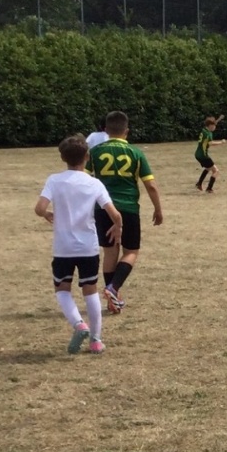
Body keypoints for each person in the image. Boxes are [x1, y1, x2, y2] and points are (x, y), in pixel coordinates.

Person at [35, 134, 122, 355]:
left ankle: (79, 324)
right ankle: (96, 340)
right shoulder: (94, 183)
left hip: (63, 248)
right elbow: (115, 214)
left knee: (62, 289)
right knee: (90, 291)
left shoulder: (54, 180)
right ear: (87, 157)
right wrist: (117, 227)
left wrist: (47, 214)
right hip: (88, 247)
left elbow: (39, 208)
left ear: (62, 157)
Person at [87, 111, 163, 313]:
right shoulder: (135, 153)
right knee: (131, 252)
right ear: (126, 131)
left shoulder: (95, 152)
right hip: (128, 208)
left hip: (104, 208)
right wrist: (158, 209)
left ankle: (112, 300)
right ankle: (113, 288)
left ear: (106, 130)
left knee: (110, 252)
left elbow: (83, 179)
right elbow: (151, 185)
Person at [194, 114, 225, 192]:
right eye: (214, 126)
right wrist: (221, 142)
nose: (215, 127)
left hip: (197, 154)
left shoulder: (204, 130)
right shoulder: (208, 134)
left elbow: (212, 124)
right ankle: (209, 188)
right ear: (210, 126)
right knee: (216, 171)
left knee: (208, 168)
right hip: (203, 156)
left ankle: (199, 183)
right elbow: (211, 143)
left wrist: (216, 121)